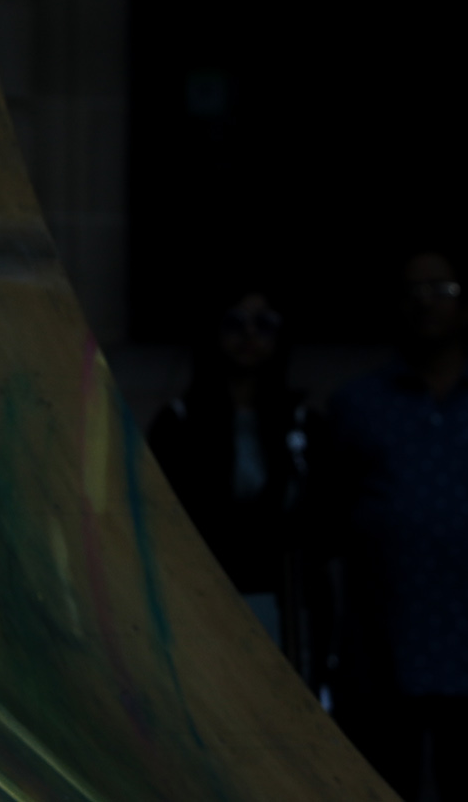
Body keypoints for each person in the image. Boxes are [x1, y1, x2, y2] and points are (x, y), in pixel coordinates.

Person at [320, 247, 468, 802]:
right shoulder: (357, 404)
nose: (426, 302)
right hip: (383, 653)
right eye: (412, 290)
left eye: (441, 290)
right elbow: (328, 524)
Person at [146, 285, 321, 678]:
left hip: (281, 599)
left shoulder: (304, 423)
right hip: (201, 602)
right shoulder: (179, 424)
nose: (249, 336)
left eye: (264, 324)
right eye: (234, 323)